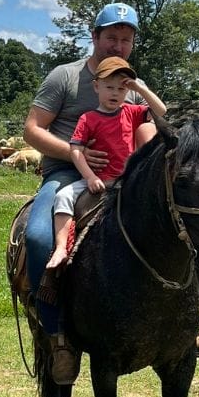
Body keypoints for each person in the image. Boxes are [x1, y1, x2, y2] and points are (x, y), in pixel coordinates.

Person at [23, 3, 199, 385]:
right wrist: (74, 152)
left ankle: (187, 323)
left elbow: (147, 131)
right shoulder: (64, 77)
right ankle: (56, 332)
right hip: (67, 172)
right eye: (111, 36)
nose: (118, 44)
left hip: (121, 176)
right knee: (37, 236)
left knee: (179, 225)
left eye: (125, 39)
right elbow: (32, 130)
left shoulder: (129, 85)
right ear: (94, 37)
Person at [43, 56, 166, 274]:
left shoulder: (132, 112)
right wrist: (90, 177)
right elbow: (75, 150)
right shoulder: (88, 118)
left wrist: (138, 87)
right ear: (96, 86)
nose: (115, 93)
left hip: (125, 181)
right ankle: (62, 247)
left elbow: (161, 111)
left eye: (121, 88)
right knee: (63, 196)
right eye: (109, 87)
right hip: (98, 179)